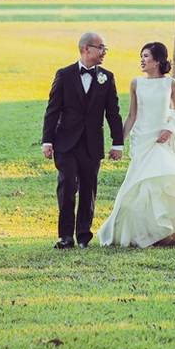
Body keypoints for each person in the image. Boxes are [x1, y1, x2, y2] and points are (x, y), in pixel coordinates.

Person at [98, 42, 175, 247]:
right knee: (141, 186)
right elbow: (132, 115)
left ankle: (168, 230)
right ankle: (147, 231)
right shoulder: (136, 83)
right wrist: (118, 143)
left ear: (158, 60)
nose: (142, 60)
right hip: (143, 141)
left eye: (146, 56)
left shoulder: (170, 84)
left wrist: (169, 129)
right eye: (141, 56)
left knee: (165, 179)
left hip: (162, 141)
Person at [42, 32, 123, 249]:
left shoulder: (107, 77)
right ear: (86, 49)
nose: (104, 52)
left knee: (89, 189)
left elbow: (113, 113)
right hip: (65, 143)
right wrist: (47, 140)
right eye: (101, 47)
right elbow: (53, 109)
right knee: (67, 185)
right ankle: (65, 236)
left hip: (92, 144)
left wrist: (118, 143)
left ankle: (84, 235)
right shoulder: (64, 75)